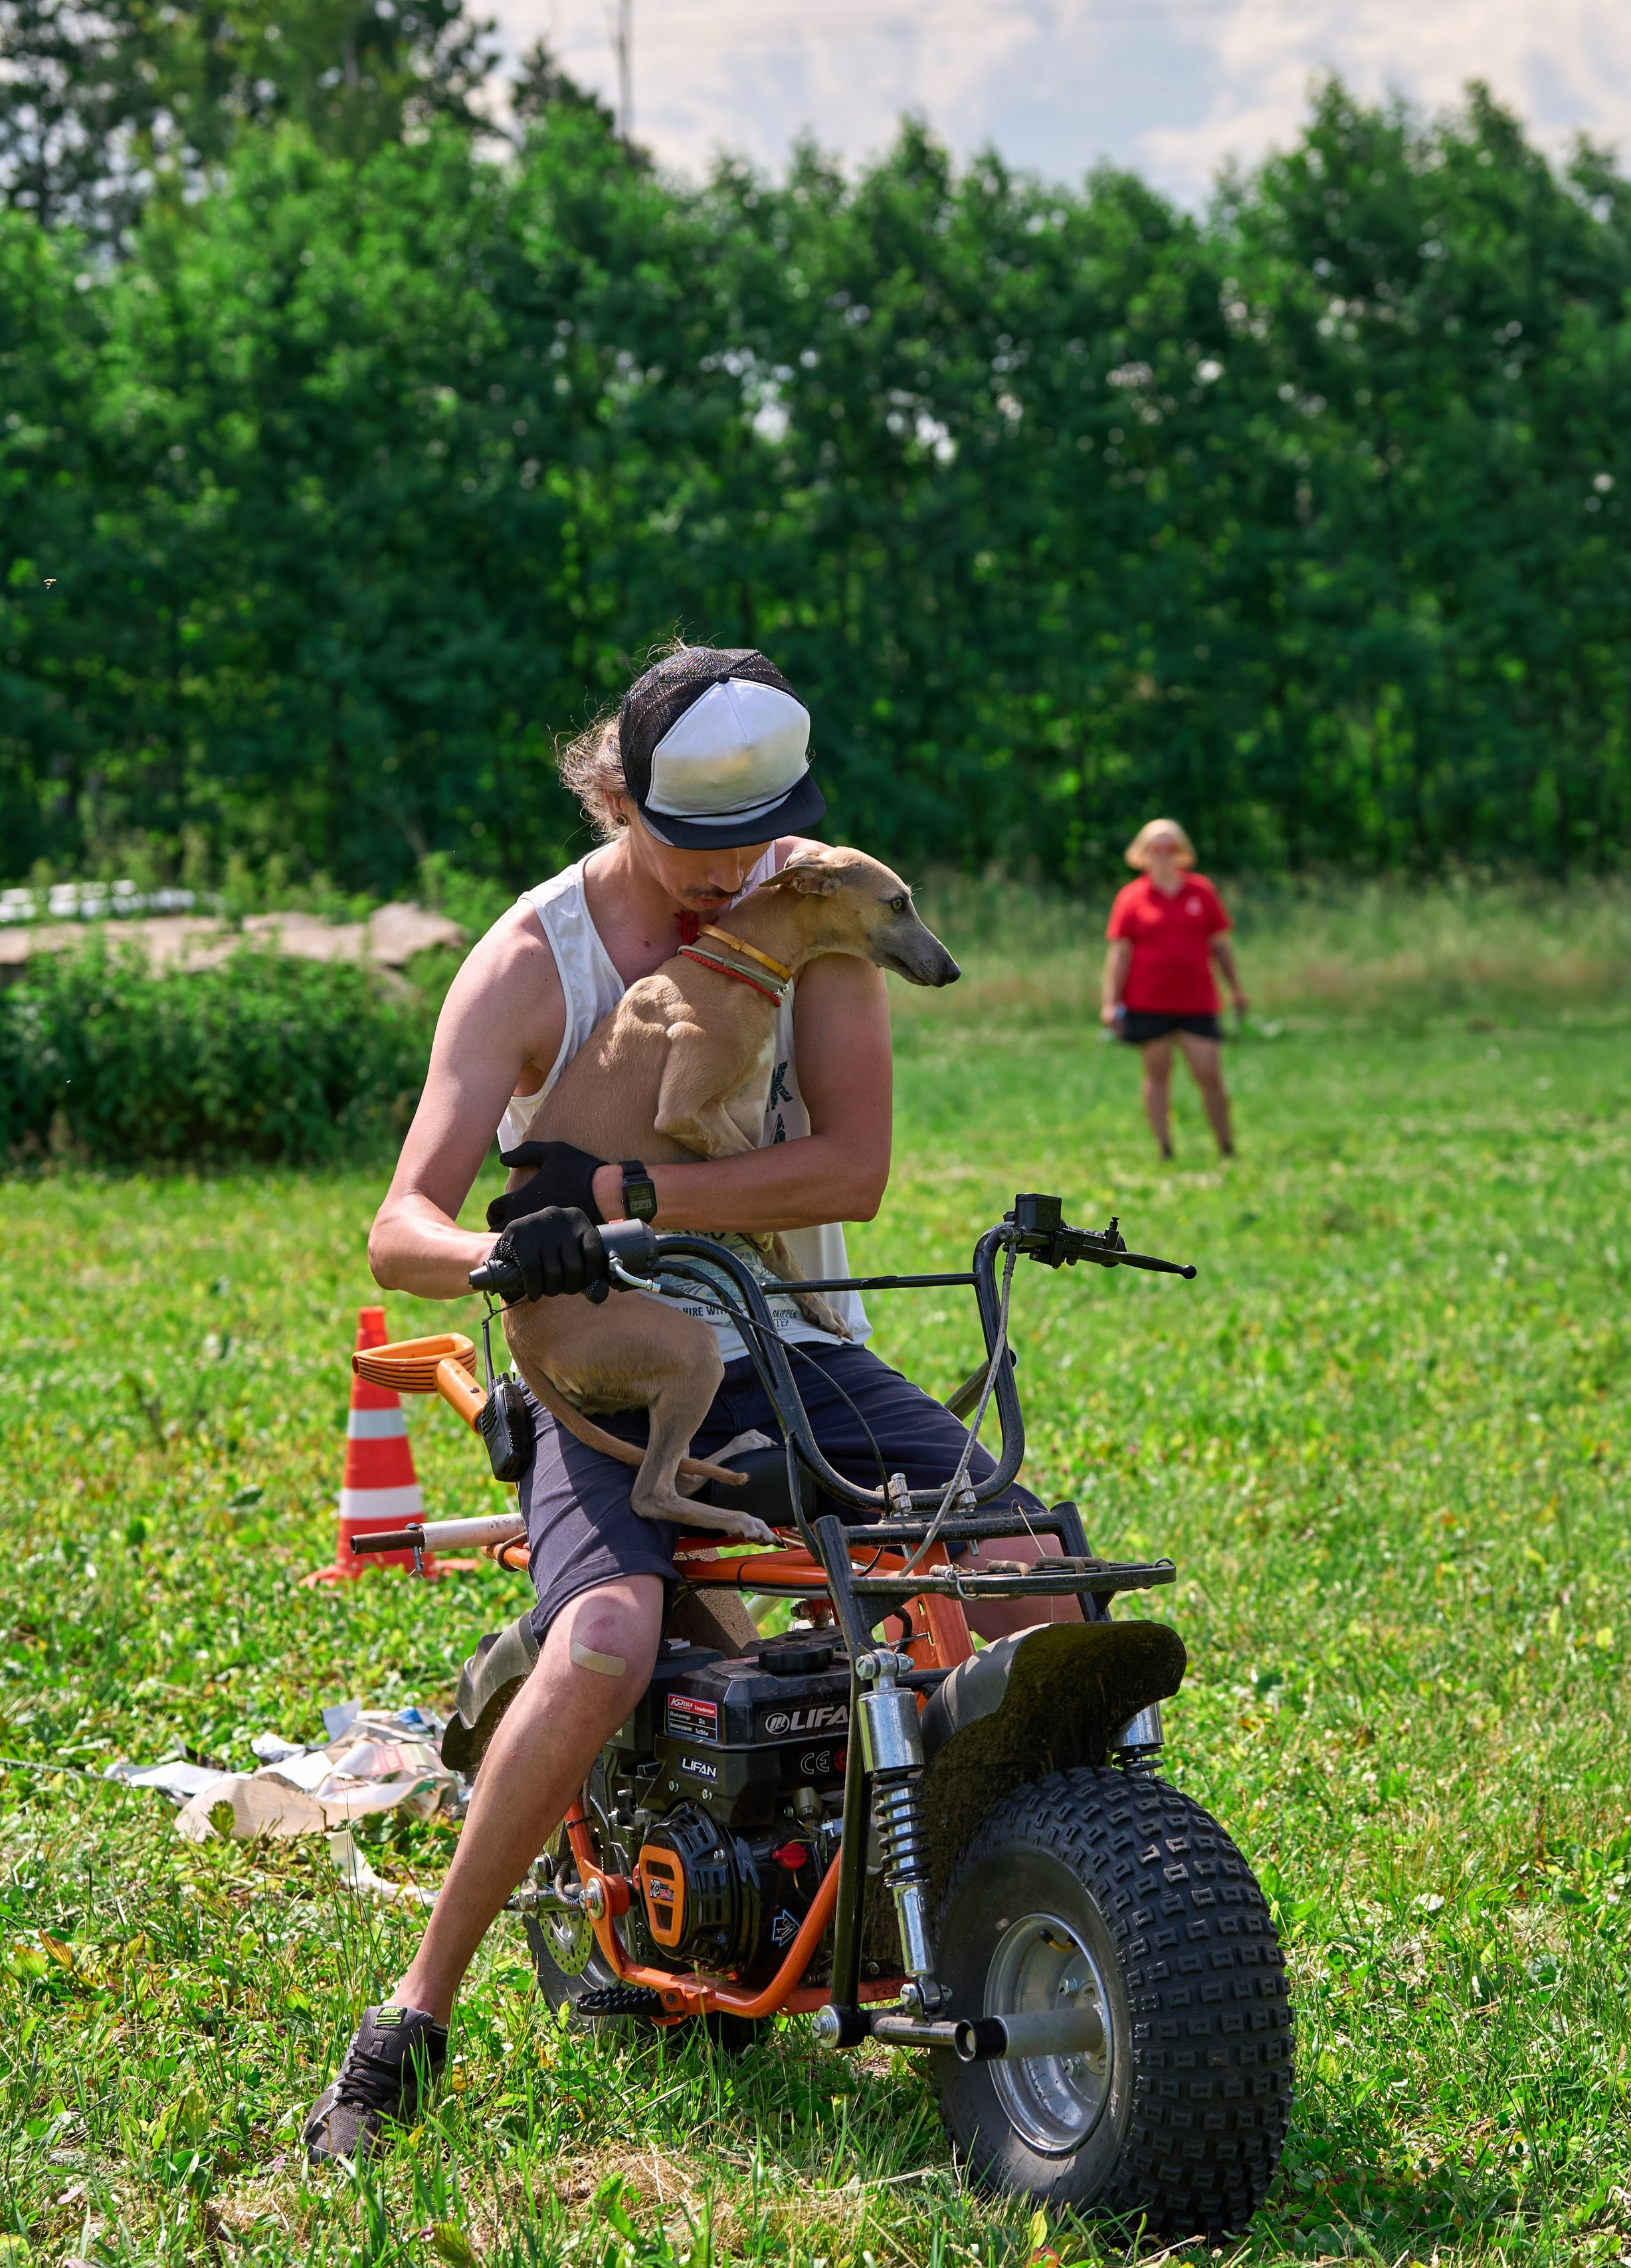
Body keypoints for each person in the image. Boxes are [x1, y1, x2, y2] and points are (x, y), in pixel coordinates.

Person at [302, 644, 1074, 2163]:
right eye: (695, 844)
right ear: (618, 799)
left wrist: (623, 1188)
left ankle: (1027, 1907)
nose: (732, 871)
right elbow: (400, 1226)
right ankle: (411, 2014)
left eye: (760, 837)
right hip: (607, 1348)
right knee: (604, 1638)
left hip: (794, 1343)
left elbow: (848, 1170)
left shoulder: (815, 913)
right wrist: (502, 1251)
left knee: (1030, 1570)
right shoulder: (531, 956)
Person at [1100, 817, 1245, 1162]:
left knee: (1209, 1073)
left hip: (1198, 1000)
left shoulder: (1201, 891)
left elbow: (1221, 946)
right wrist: (1110, 1002)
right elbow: (1119, 954)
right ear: (1143, 853)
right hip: (1147, 1000)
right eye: (1156, 847)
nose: (1163, 854)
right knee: (1157, 1074)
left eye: (1170, 847)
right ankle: (1164, 1148)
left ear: (1181, 851)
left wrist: (1236, 988)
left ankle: (1226, 1146)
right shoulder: (1131, 897)